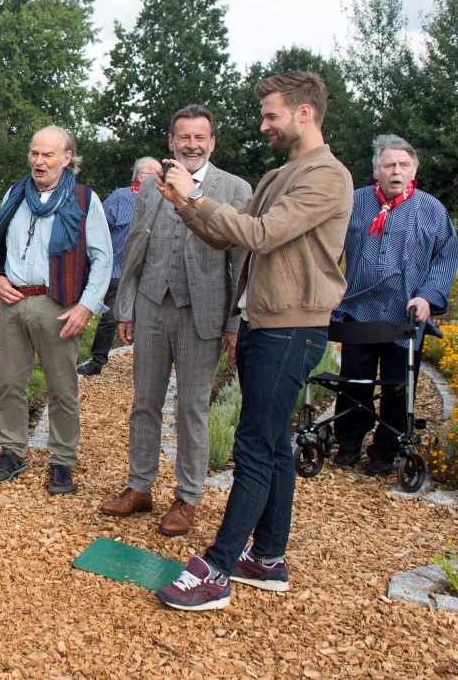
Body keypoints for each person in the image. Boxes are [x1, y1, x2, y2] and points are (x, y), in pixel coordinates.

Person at [154, 71, 353, 612]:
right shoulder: (279, 174)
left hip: (292, 327)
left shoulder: (327, 177)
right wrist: (184, 201)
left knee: (254, 447)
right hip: (268, 323)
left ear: (304, 112)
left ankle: (217, 567)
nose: (263, 123)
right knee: (274, 446)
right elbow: (226, 233)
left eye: (271, 114)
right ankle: (267, 559)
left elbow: (262, 235)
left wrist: (196, 193)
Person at [99, 107, 252, 536]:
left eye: (200, 137)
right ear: (171, 142)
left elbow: (240, 261)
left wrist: (233, 325)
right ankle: (140, 486)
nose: (191, 145)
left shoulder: (234, 189)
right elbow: (135, 247)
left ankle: (187, 498)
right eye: (183, 137)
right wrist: (125, 308)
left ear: (212, 143)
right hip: (151, 306)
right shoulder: (151, 186)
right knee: (143, 402)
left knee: (192, 408)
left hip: (201, 313)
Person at [0, 126, 112, 496]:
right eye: (34, 153)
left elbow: (102, 258)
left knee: (62, 389)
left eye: (48, 154)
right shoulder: (15, 194)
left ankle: (62, 462)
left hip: (59, 304)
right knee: (10, 384)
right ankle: (13, 452)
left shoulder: (83, 199)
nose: (39, 161)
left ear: (67, 158)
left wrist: (86, 306)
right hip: (13, 302)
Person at [331, 134, 458, 475]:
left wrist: (428, 297)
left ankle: (385, 452)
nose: (396, 171)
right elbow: (328, 249)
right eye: (389, 165)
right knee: (354, 382)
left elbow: (445, 258)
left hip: (405, 315)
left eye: (403, 165)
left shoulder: (431, 209)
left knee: (398, 386)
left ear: (414, 169)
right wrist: (329, 288)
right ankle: (348, 444)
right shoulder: (354, 202)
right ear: (377, 172)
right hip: (359, 311)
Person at [77, 156, 162, 377]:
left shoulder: (164, 199)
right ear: (142, 177)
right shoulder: (120, 197)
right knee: (112, 316)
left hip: (150, 271)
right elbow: (97, 226)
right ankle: (97, 361)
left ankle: (147, 366)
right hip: (119, 270)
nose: (163, 177)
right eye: (157, 173)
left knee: (148, 318)